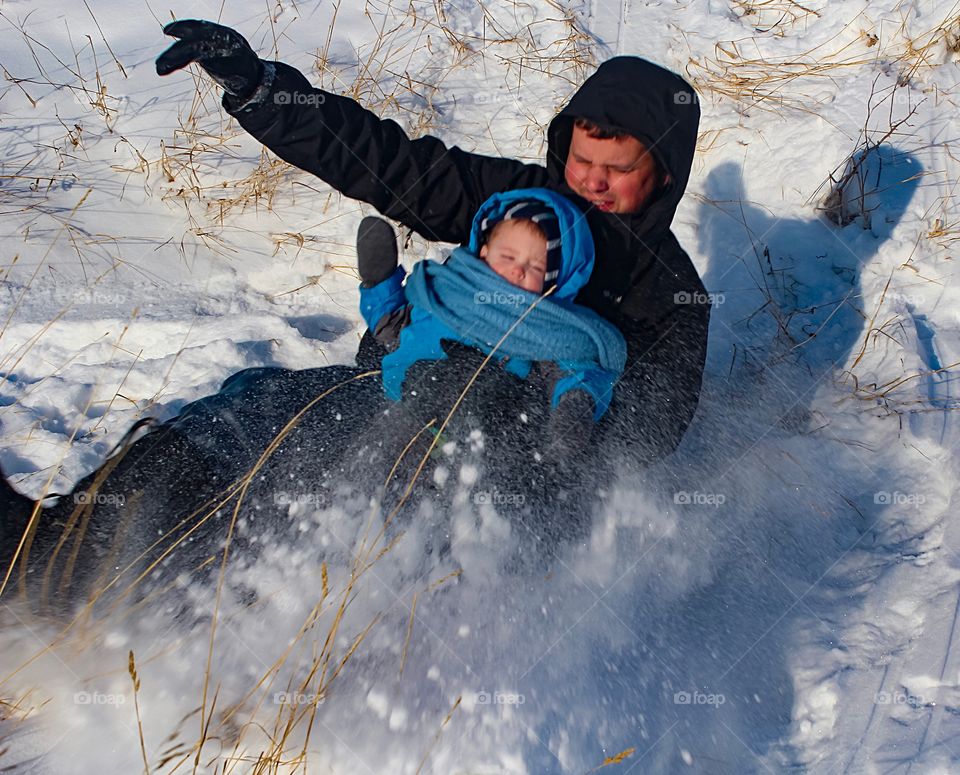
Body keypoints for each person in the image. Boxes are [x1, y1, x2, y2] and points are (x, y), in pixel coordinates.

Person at [155, 19, 710, 467]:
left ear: (663, 173)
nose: (591, 180)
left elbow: (650, 435)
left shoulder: (670, 294)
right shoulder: (515, 201)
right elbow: (388, 165)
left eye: (617, 168)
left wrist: (533, 405)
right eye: (582, 159)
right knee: (244, 421)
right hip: (400, 388)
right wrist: (262, 91)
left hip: (518, 465)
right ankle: (83, 539)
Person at [355, 188, 625, 428]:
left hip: (480, 437)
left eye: (536, 267)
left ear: (551, 282)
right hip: (397, 408)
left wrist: (573, 408)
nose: (518, 269)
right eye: (508, 256)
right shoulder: (447, 292)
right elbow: (394, 328)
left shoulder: (544, 328)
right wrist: (380, 285)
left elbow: (573, 371)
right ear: (484, 253)